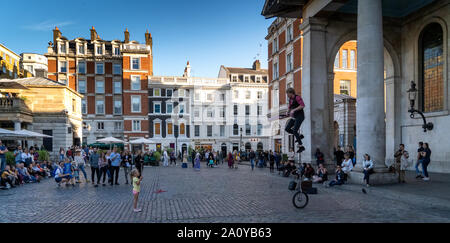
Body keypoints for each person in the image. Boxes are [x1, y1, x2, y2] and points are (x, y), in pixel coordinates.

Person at [284, 88, 306, 153]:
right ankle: (299, 136)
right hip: (294, 117)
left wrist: (294, 110)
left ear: (291, 93)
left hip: (300, 116)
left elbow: (302, 105)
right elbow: (290, 107)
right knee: (287, 129)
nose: (287, 95)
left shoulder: (297, 97)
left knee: (294, 130)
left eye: (287, 94)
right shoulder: (290, 99)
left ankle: (301, 146)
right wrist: (287, 111)